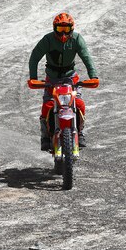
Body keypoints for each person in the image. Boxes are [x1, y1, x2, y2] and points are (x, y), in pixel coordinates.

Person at [28, 12, 98, 151]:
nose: (63, 34)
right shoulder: (47, 40)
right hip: (52, 78)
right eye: (60, 29)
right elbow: (34, 58)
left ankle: (80, 131)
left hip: (70, 77)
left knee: (79, 104)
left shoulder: (77, 39)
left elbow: (87, 58)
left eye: (66, 29)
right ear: (55, 28)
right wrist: (34, 78)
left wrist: (93, 76)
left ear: (72, 29)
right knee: (47, 105)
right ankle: (45, 136)